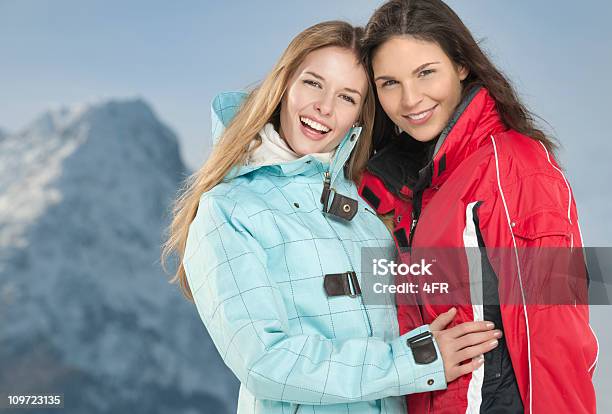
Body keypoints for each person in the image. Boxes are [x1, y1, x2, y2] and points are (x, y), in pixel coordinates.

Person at [162, 20, 501, 414]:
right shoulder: (230, 210)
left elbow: (444, 283)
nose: (324, 107)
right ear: (284, 83)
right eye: (313, 83)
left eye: (347, 97)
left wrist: (568, 275)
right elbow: (265, 362)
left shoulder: (369, 208)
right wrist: (416, 360)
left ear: (360, 116)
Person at [357, 1, 599, 413]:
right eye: (389, 83)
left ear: (461, 65)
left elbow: (554, 332)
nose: (410, 99)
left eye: (425, 72)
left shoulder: (513, 166)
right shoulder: (396, 186)